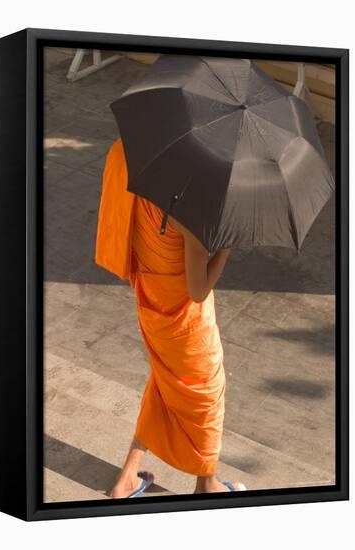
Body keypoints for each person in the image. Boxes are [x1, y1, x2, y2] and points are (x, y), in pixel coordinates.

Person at [95, 137, 246, 497]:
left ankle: (127, 478)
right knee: (206, 393)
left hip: (150, 302)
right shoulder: (187, 214)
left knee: (164, 385)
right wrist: (225, 245)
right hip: (185, 319)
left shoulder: (135, 167)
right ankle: (207, 485)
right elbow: (198, 290)